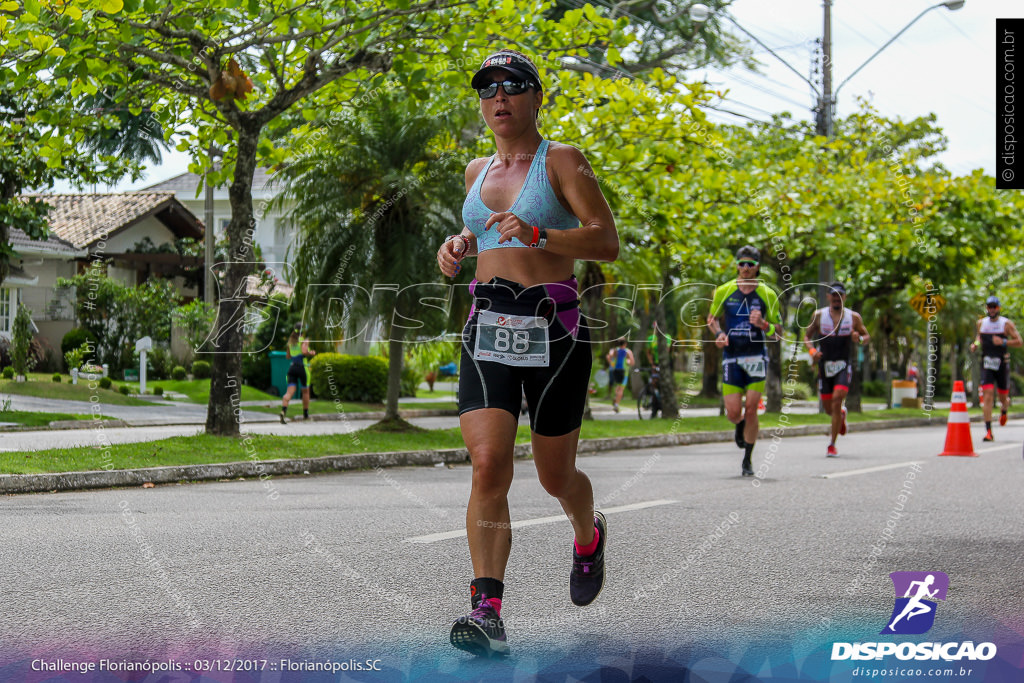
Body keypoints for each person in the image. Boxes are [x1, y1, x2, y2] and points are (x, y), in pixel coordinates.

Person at [435, 49, 618, 658]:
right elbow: (486, 234)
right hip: (489, 325)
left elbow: (606, 241)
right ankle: (486, 609)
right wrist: (460, 243)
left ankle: (587, 534)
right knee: (489, 465)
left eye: (513, 87)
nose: (499, 98)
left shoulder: (562, 160)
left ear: (537, 97)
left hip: (554, 332)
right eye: (488, 89)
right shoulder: (474, 170)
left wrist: (540, 233)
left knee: (553, 475)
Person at [706, 246, 782, 476]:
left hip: (756, 356)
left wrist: (763, 325)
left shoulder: (768, 294)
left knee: (751, 409)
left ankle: (747, 460)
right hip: (732, 356)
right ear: (737, 265)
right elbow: (712, 319)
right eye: (742, 264)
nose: (745, 268)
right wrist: (719, 334)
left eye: (750, 264)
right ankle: (738, 424)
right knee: (733, 412)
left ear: (758, 266)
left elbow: (778, 332)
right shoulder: (724, 291)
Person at [803, 282, 870, 457]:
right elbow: (807, 336)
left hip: (843, 364)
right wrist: (812, 351)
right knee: (829, 408)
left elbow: (866, 335)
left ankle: (832, 444)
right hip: (824, 365)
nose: (836, 298)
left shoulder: (853, 317)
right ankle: (840, 415)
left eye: (839, 294)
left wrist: (859, 339)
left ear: (844, 297)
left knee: (837, 398)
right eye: (833, 294)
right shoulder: (818, 315)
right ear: (828, 297)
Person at [969, 295, 1021, 441]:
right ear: (986, 308)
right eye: (989, 307)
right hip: (987, 363)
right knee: (987, 396)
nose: (991, 309)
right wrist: (975, 345)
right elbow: (979, 338)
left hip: (1002, 364)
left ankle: (1004, 409)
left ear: (998, 308)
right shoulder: (981, 323)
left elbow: (1019, 342)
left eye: (994, 307)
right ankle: (988, 432)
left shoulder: (1006, 324)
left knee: (1003, 397)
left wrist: (1003, 342)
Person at [279, 323, 315, 423]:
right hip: (302, 368)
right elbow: (304, 352)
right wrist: (309, 352)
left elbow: (288, 356)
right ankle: (306, 415)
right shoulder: (303, 339)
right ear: (303, 330)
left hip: (292, 368)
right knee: (305, 391)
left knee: (289, 393)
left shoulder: (291, 341)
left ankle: (283, 411)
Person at [605, 338, 635, 413]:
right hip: (624, 372)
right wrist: (628, 362)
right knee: (621, 389)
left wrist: (612, 364)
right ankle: (616, 405)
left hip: (615, 370)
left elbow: (608, 357)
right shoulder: (628, 351)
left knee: (618, 386)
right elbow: (632, 362)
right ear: (625, 344)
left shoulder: (614, 350)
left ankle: (615, 398)